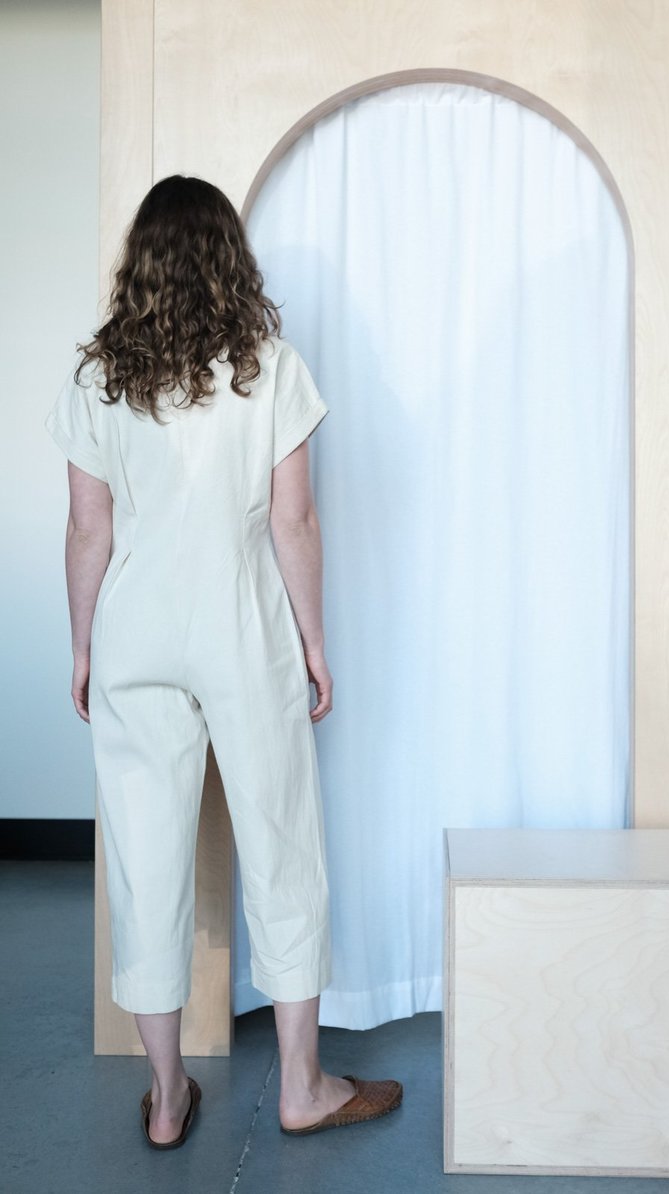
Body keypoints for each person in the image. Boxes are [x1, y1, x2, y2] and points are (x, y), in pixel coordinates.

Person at [45, 175, 402, 1148]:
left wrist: (82, 645)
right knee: (282, 845)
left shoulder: (99, 376)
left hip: (135, 631)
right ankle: (303, 1086)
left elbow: (88, 528)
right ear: (227, 260)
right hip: (243, 627)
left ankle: (167, 1099)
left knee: (144, 860)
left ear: (142, 262)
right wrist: (314, 642)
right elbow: (294, 519)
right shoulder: (268, 367)